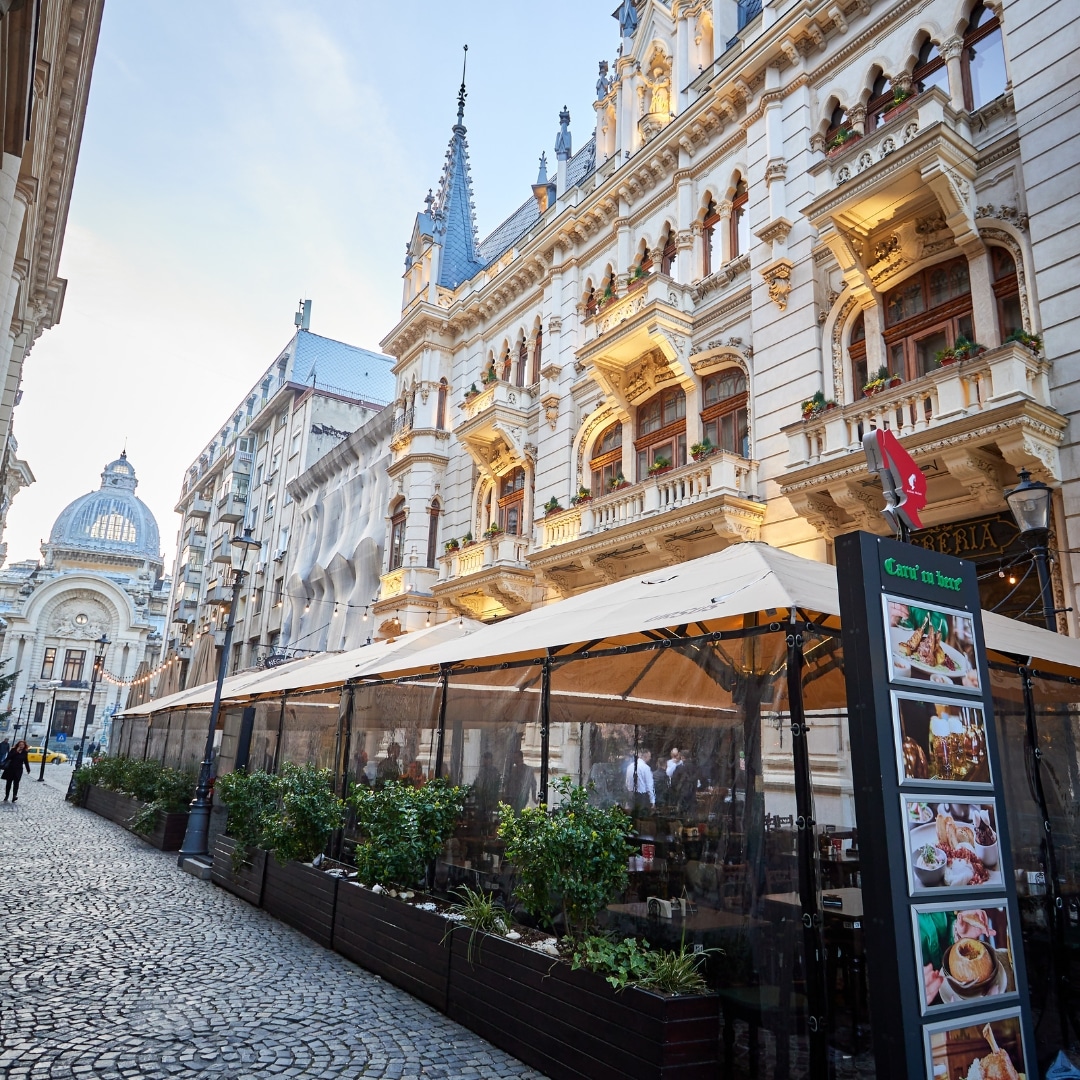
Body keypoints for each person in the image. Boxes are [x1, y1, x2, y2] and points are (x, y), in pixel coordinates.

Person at [473, 751, 502, 822]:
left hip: (490, 798)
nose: (485, 761)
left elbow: (496, 785)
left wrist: (492, 798)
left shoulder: (494, 771)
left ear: (490, 760)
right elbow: (477, 781)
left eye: (487, 759)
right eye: (484, 759)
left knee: (488, 817)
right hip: (481, 798)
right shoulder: (482, 770)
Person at [625, 749, 655, 815]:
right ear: (646, 756)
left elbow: (627, 782)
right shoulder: (646, 768)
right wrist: (652, 801)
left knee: (630, 815)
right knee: (640, 816)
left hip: (630, 794)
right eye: (649, 756)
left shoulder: (630, 766)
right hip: (641, 796)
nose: (650, 758)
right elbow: (649, 786)